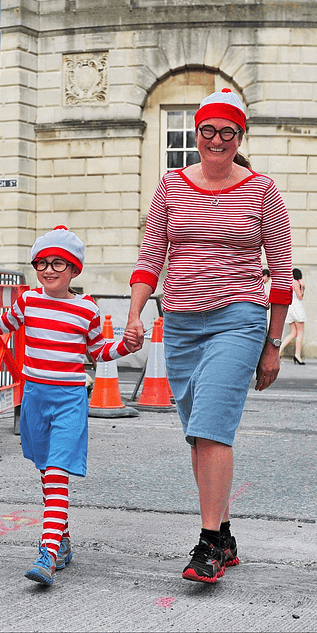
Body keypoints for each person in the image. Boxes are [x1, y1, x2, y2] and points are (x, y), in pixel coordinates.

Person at [125, 89, 292, 584]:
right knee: (197, 433)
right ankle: (223, 530)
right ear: (197, 135)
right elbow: (151, 255)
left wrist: (272, 346)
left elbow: (280, 274)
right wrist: (134, 315)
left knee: (214, 427)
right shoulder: (171, 186)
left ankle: (208, 544)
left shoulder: (263, 190)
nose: (217, 139)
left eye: (228, 132)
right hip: (179, 324)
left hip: (238, 320)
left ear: (239, 137)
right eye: (208, 130)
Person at [0, 226, 140, 586]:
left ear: (74, 270)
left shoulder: (87, 310)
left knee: (57, 474)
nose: (49, 270)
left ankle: (48, 552)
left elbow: (97, 352)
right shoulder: (27, 300)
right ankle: (64, 541)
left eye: (59, 263)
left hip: (69, 401)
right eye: (42, 263)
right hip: (35, 400)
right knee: (47, 474)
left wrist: (125, 347)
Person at [280, 268, 306, 364]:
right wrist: (302, 287)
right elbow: (300, 296)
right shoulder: (296, 283)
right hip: (297, 308)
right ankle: (297, 355)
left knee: (293, 333)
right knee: (300, 333)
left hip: (291, 308)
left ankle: (278, 352)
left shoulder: (290, 282)